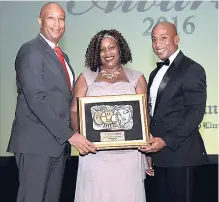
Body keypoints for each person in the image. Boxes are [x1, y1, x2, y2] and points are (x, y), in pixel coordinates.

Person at [7, 2, 96, 202]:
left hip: (56, 145)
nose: (57, 24)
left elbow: (66, 101)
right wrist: (70, 135)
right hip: (36, 144)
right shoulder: (31, 51)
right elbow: (36, 100)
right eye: (51, 18)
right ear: (40, 21)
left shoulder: (62, 56)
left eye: (61, 18)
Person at [70, 29, 153, 202]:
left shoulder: (137, 78)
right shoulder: (86, 77)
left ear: (120, 49)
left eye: (111, 47)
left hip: (129, 155)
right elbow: (74, 110)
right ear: (96, 53)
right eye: (102, 49)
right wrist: (79, 134)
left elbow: (143, 117)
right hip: (95, 154)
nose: (107, 53)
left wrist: (148, 153)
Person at [140, 21, 208, 202]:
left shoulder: (192, 69)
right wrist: (149, 152)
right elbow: (153, 114)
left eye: (163, 38)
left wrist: (166, 140)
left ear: (177, 39)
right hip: (159, 157)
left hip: (181, 156)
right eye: (154, 39)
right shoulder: (155, 73)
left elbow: (195, 112)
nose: (157, 44)